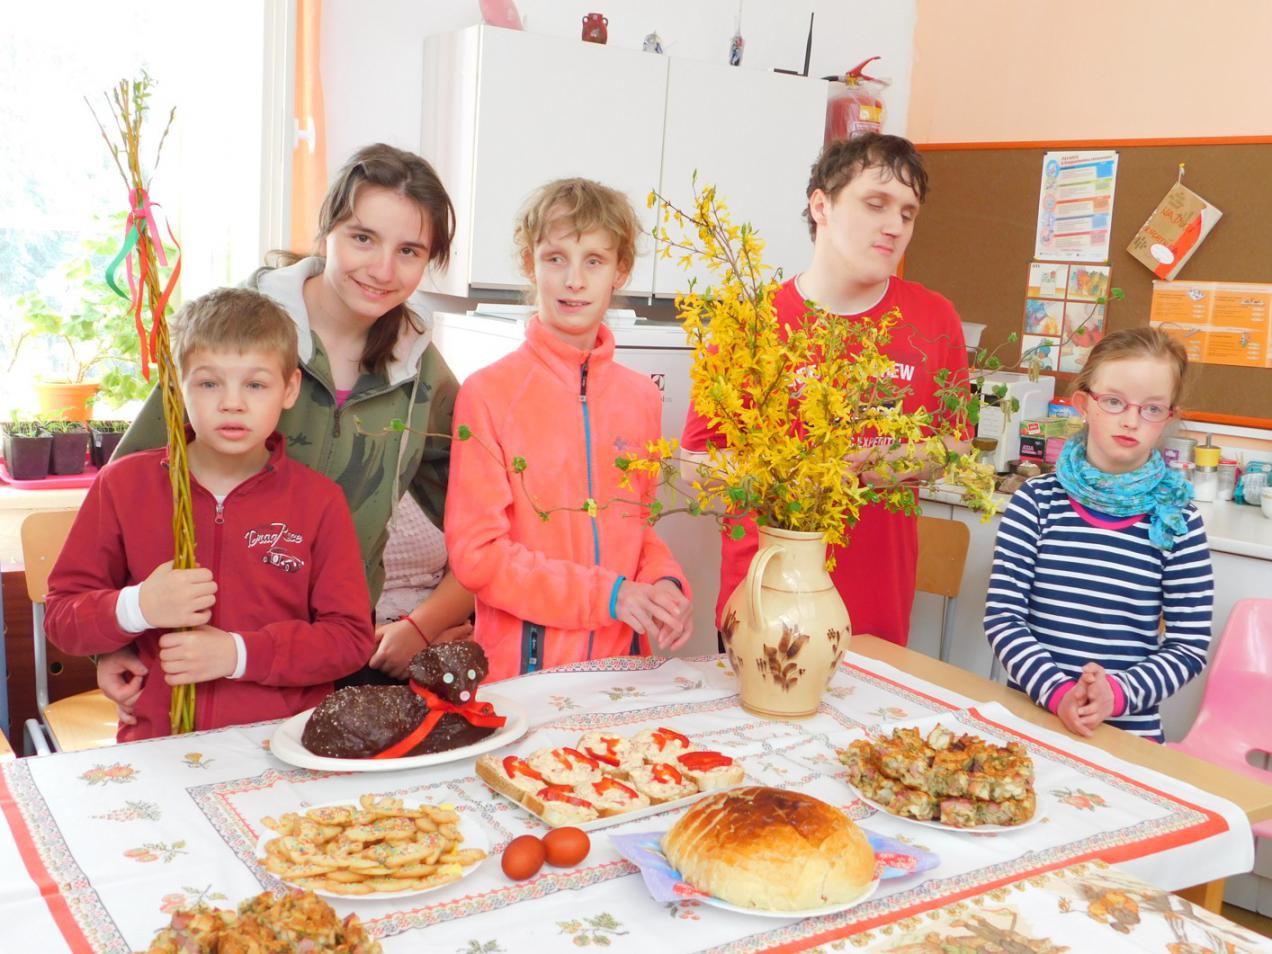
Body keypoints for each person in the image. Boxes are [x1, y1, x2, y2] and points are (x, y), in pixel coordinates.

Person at [99, 143, 474, 719]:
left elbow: (483, 524)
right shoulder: (237, 334)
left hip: (333, 654)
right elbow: (123, 498)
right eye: (363, 238)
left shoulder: (423, 374)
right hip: (202, 659)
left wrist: (427, 623)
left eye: (409, 251)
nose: (382, 270)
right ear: (326, 231)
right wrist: (115, 640)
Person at [44, 289, 375, 741]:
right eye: (208, 384)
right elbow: (62, 618)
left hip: (284, 744)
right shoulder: (122, 485)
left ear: (290, 389)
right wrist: (138, 607)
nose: (232, 403)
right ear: (177, 385)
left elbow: (349, 640)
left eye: (255, 385)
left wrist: (237, 654)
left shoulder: (319, 501)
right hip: (158, 743)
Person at [681, 133, 971, 647]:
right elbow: (696, 462)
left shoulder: (934, 319)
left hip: (876, 612)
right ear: (822, 206)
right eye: (876, 204)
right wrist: (796, 478)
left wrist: (883, 465)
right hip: (763, 607)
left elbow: (955, 445)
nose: (894, 226)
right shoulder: (751, 321)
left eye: (907, 214)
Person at [445, 177, 693, 681]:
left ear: (620, 270)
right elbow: (477, 556)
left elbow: (637, 527)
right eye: (556, 258)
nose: (574, 280)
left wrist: (665, 582)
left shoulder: (641, 397)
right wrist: (610, 596)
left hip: (624, 671)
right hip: (524, 680)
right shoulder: (487, 394)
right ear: (529, 263)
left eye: (594, 261)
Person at [984, 327, 1213, 742]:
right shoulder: (1036, 502)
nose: (1131, 420)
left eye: (1152, 408)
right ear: (1084, 404)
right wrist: (1059, 693)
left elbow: (1189, 646)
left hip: (1127, 734)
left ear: (1169, 418)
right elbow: (1003, 617)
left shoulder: (1178, 520)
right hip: (1032, 719)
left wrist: (1117, 695)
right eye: (1113, 401)